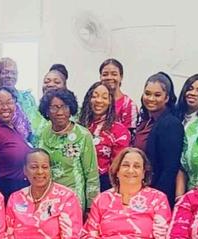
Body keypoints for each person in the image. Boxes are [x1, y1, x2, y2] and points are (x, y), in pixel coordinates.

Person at [36, 88, 99, 211]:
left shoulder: (83, 135)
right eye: (54, 107)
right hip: (47, 199)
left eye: (64, 107)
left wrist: (91, 207)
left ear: (71, 109)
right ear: (47, 111)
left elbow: (91, 175)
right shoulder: (43, 134)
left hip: (73, 200)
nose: (60, 112)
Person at [134, 72, 184, 205]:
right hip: (141, 191)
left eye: (157, 95)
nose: (151, 98)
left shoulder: (170, 124)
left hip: (157, 195)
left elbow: (169, 169)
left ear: (166, 98)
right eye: (147, 93)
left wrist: (157, 199)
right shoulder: (146, 121)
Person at [0, 86, 32, 199]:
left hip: (21, 193)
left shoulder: (14, 128)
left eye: (9, 102)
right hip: (4, 193)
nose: (5, 107)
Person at [78, 81, 130, 191]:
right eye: (95, 96)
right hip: (78, 182)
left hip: (106, 184)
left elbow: (118, 165)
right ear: (88, 99)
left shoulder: (119, 131)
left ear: (111, 101)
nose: (99, 100)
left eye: (104, 97)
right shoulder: (78, 127)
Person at [0, 57, 39, 142]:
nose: (9, 76)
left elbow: (37, 123)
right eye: (5, 72)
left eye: (13, 73)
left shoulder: (27, 98)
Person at [100, 58, 138, 130]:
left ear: (121, 77)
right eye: (105, 74)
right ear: (100, 77)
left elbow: (130, 134)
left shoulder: (128, 105)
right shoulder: (96, 102)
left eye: (114, 74)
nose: (109, 77)